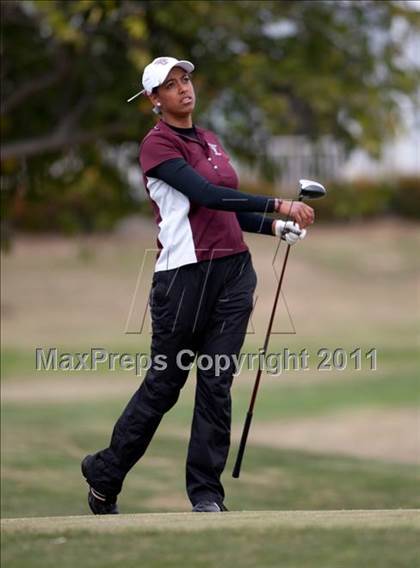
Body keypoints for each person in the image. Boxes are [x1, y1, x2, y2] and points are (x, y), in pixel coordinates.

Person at [81, 56, 314, 514]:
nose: (183, 89)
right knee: (165, 386)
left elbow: (223, 208)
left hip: (233, 274)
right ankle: (105, 473)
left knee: (216, 382)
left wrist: (271, 227)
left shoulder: (209, 139)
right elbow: (205, 196)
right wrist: (279, 204)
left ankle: (206, 494)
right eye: (170, 85)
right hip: (183, 279)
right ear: (154, 99)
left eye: (185, 80)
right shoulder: (157, 146)